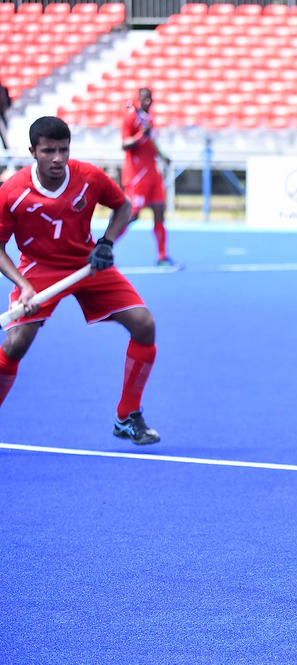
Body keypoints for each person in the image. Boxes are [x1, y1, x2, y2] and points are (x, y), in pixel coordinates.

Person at [0, 116, 160, 444]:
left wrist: (106, 243)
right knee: (15, 344)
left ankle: (127, 416)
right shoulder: (12, 191)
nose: (57, 158)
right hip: (39, 269)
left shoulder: (89, 177)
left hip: (87, 265)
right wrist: (25, 286)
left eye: (63, 149)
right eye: (48, 151)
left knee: (144, 325)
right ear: (32, 152)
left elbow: (123, 206)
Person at [122, 88, 173, 267]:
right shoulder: (131, 118)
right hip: (137, 175)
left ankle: (162, 256)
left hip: (153, 173)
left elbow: (151, 143)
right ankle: (104, 246)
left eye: (150, 98)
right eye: (144, 99)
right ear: (138, 99)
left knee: (159, 211)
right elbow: (124, 144)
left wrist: (163, 156)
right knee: (132, 215)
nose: (148, 102)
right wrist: (140, 135)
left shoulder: (148, 119)